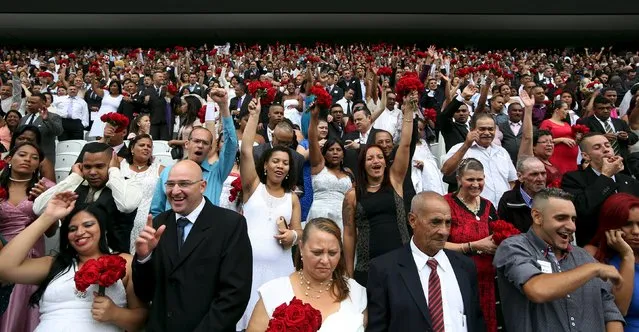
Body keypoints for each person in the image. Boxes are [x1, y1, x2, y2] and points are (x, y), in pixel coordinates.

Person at [132, 160, 252, 332]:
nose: (175, 191)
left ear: (202, 186)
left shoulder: (230, 225)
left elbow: (234, 295)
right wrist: (144, 258)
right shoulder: (159, 223)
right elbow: (145, 293)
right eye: (170, 184)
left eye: (184, 184)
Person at [0, 192, 148, 331]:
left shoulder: (125, 262)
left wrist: (116, 314)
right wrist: (48, 217)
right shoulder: (54, 265)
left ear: (103, 229)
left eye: (88, 225)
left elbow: (142, 319)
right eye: (72, 229)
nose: (79, 232)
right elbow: (4, 268)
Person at [494, 188, 625, 332]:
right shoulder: (513, 247)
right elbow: (537, 290)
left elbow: (610, 311)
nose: (571, 227)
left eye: (573, 219)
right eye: (561, 218)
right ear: (537, 217)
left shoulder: (584, 257)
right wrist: (593, 269)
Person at [366, 191, 486, 332]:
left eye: (448, 223)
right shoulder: (384, 269)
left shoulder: (465, 267)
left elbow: (476, 320)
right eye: (435, 222)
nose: (444, 231)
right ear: (412, 220)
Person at [237, 99, 302, 330]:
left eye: (285, 163)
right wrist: (254, 116)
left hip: (280, 271)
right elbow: (245, 150)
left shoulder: (292, 198)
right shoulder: (252, 187)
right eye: (275, 161)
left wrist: (291, 237)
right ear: (265, 165)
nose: (280, 166)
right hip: (247, 269)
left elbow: (299, 232)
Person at [342, 92, 415, 286]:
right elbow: (349, 234)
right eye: (370, 158)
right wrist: (349, 274)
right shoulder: (352, 195)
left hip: (403, 263)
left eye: (380, 157)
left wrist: (408, 112)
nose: (376, 161)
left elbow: (405, 145)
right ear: (362, 165)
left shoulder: (395, 181)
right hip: (368, 269)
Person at [247, 218, 367, 332]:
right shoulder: (274, 292)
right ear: (301, 248)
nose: (325, 260)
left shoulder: (355, 292)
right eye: (317, 252)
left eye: (332, 253)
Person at [33, 142, 142, 253]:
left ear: (111, 164)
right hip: (72, 261)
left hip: (111, 264)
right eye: (87, 167)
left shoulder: (128, 185)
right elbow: (38, 208)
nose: (92, 172)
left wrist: (114, 170)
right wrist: (75, 177)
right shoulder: (74, 184)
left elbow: (127, 206)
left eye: (100, 166)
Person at [150, 88, 237, 214]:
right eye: (196, 141)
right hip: (173, 231)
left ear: (210, 148)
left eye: (205, 143)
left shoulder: (217, 172)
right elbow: (156, 210)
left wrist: (223, 106)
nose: (200, 145)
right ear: (187, 144)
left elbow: (231, 144)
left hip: (207, 231)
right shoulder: (168, 172)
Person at [0, 143, 56, 331]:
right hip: (1, 249)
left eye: (34, 157)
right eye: (22, 154)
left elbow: (51, 231)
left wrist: (44, 204)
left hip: (31, 252)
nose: (27, 159)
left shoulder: (45, 187)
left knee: (21, 302)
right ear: (9, 159)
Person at [442, 158, 499, 332]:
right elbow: (435, 243)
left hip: (487, 281)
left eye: (480, 179)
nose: (476, 184)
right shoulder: (445, 204)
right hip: (457, 279)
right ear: (459, 179)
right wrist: (472, 246)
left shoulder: (488, 206)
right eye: (470, 179)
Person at [561, 133, 639, 246]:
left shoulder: (629, 181)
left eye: (608, 145)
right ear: (586, 156)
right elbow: (582, 210)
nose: (605, 150)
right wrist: (605, 176)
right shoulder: (573, 179)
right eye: (597, 147)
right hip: (596, 246)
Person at [441, 112, 517, 207]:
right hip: (475, 210)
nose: (487, 133)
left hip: (504, 209)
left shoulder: (502, 152)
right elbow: (446, 170)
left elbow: (511, 181)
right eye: (482, 129)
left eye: (490, 129)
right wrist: (466, 145)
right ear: (472, 129)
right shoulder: (460, 148)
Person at [591, 193, 639, 331]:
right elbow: (619, 310)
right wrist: (627, 256)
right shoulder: (594, 255)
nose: (636, 231)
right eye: (627, 224)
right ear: (611, 226)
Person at [305, 104, 352, 232]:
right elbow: (312, 140)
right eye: (331, 150)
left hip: (343, 218)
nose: (335, 152)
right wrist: (314, 117)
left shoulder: (348, 173)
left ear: (343, 154)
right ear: (324, 154)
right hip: (319, 214)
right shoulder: (319, 166)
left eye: (338, 150)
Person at [117, 134, 164, 253]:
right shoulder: (120, 164)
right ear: (132, 148)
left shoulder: (159, 169)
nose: (146, 148)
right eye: (142, 145)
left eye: (149, 146)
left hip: (146, 224)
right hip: (120, 222)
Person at [497, 156, 547, 232]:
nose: (540, 179)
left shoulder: (553, 199)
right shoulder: (508, 201)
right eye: (534, 174)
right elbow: (503, 233)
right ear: (520, 176)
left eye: (543, 173)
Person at [19, 93, 63, 166]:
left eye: (33, 103)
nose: (29, 104)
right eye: (28, 102)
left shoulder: (53, 117)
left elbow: (58, 132)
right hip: (24, 158)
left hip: (43, 159)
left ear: (43, 103)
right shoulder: (24, 118)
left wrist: (47, 120)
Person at [539, 100, 579, 175]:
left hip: (571, 161)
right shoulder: (547, 122)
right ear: (557, 110)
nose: (567, 112)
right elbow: (541, 141)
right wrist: (561, 139)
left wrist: (577, 138)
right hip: (557, 158)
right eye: (565, 109)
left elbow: (572, 141)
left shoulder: (566, 124)